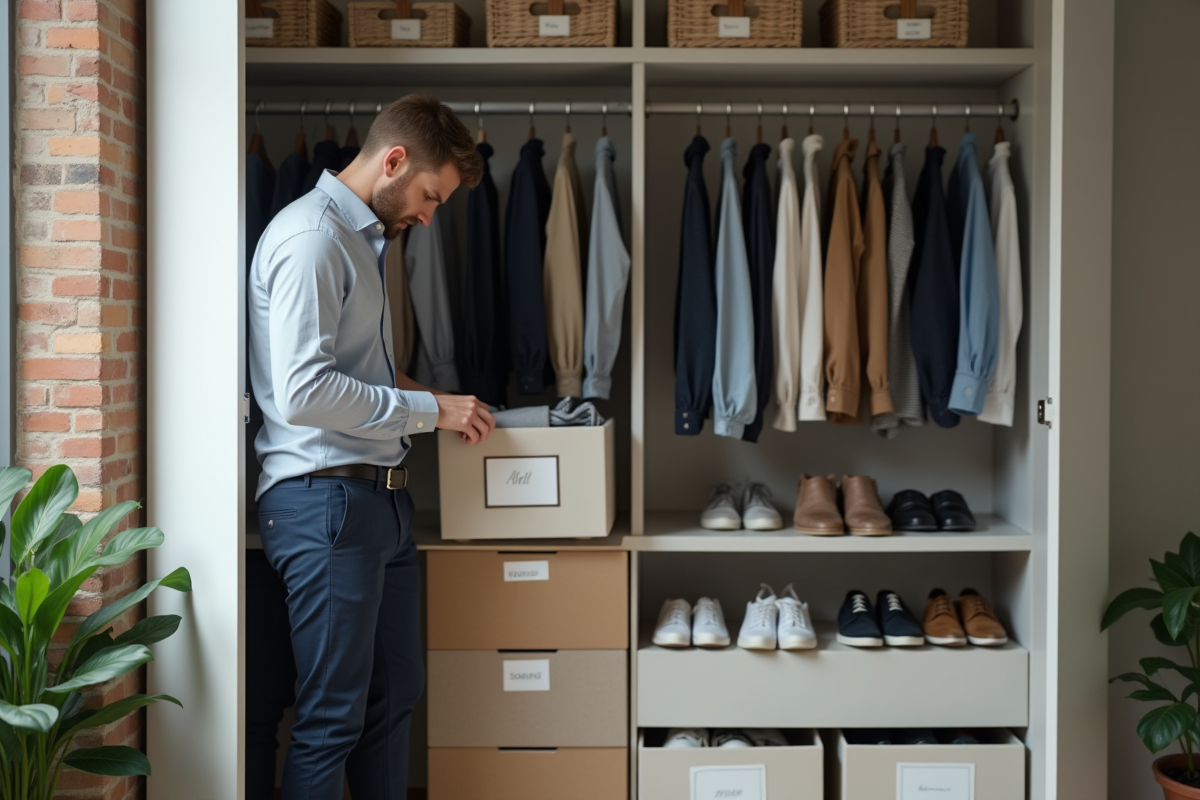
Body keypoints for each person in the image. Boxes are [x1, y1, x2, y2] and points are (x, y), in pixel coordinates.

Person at [248, 93, 493, 799]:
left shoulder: (361, 239)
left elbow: (363, 376)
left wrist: (452, 408)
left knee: (393, 702)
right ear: (392, 162)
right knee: (333, 716)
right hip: (325, 503)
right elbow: (302, 393)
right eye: (428, 195)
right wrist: (429, 409)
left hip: (379, 504)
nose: (429, 213)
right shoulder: (313, 239)